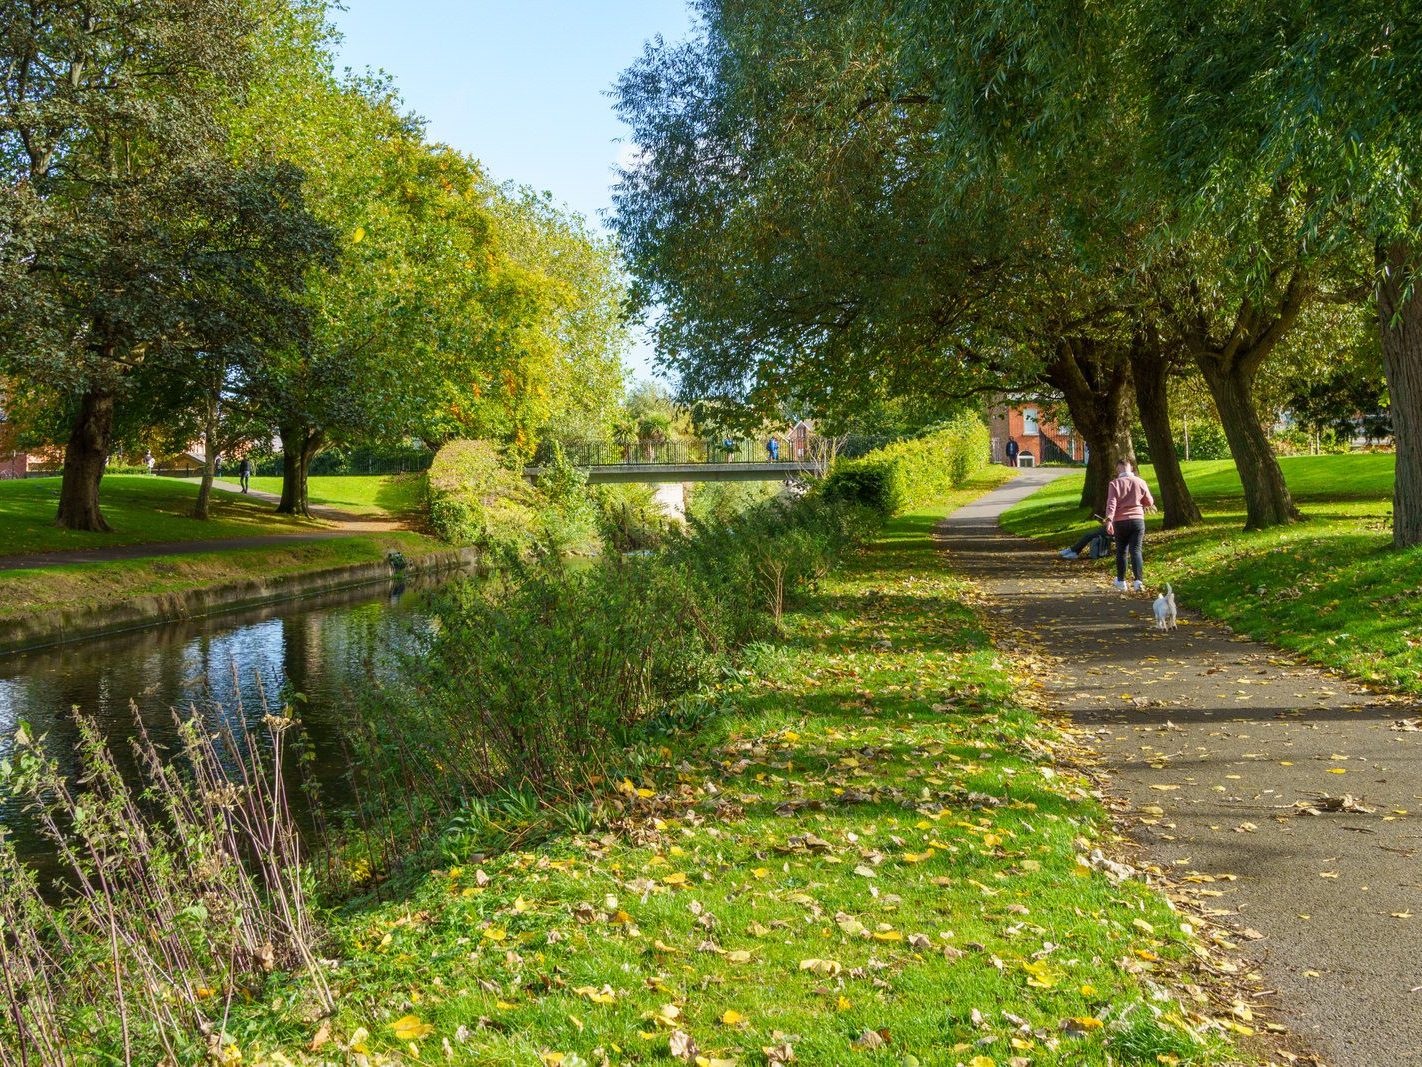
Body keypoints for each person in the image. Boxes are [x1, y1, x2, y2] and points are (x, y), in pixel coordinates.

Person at [1104, 459, 1155, 592]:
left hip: (1120, 521)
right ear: (1131, 468)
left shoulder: (1114, 484)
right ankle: (1138, 581)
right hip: (1137, 520)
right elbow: (1149, 501)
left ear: (1118, 469)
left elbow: (1111, 503)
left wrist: (1109, 520)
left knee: (1121, 551)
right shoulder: (1140, 482)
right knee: (1136, 550)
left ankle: (1121, 582)